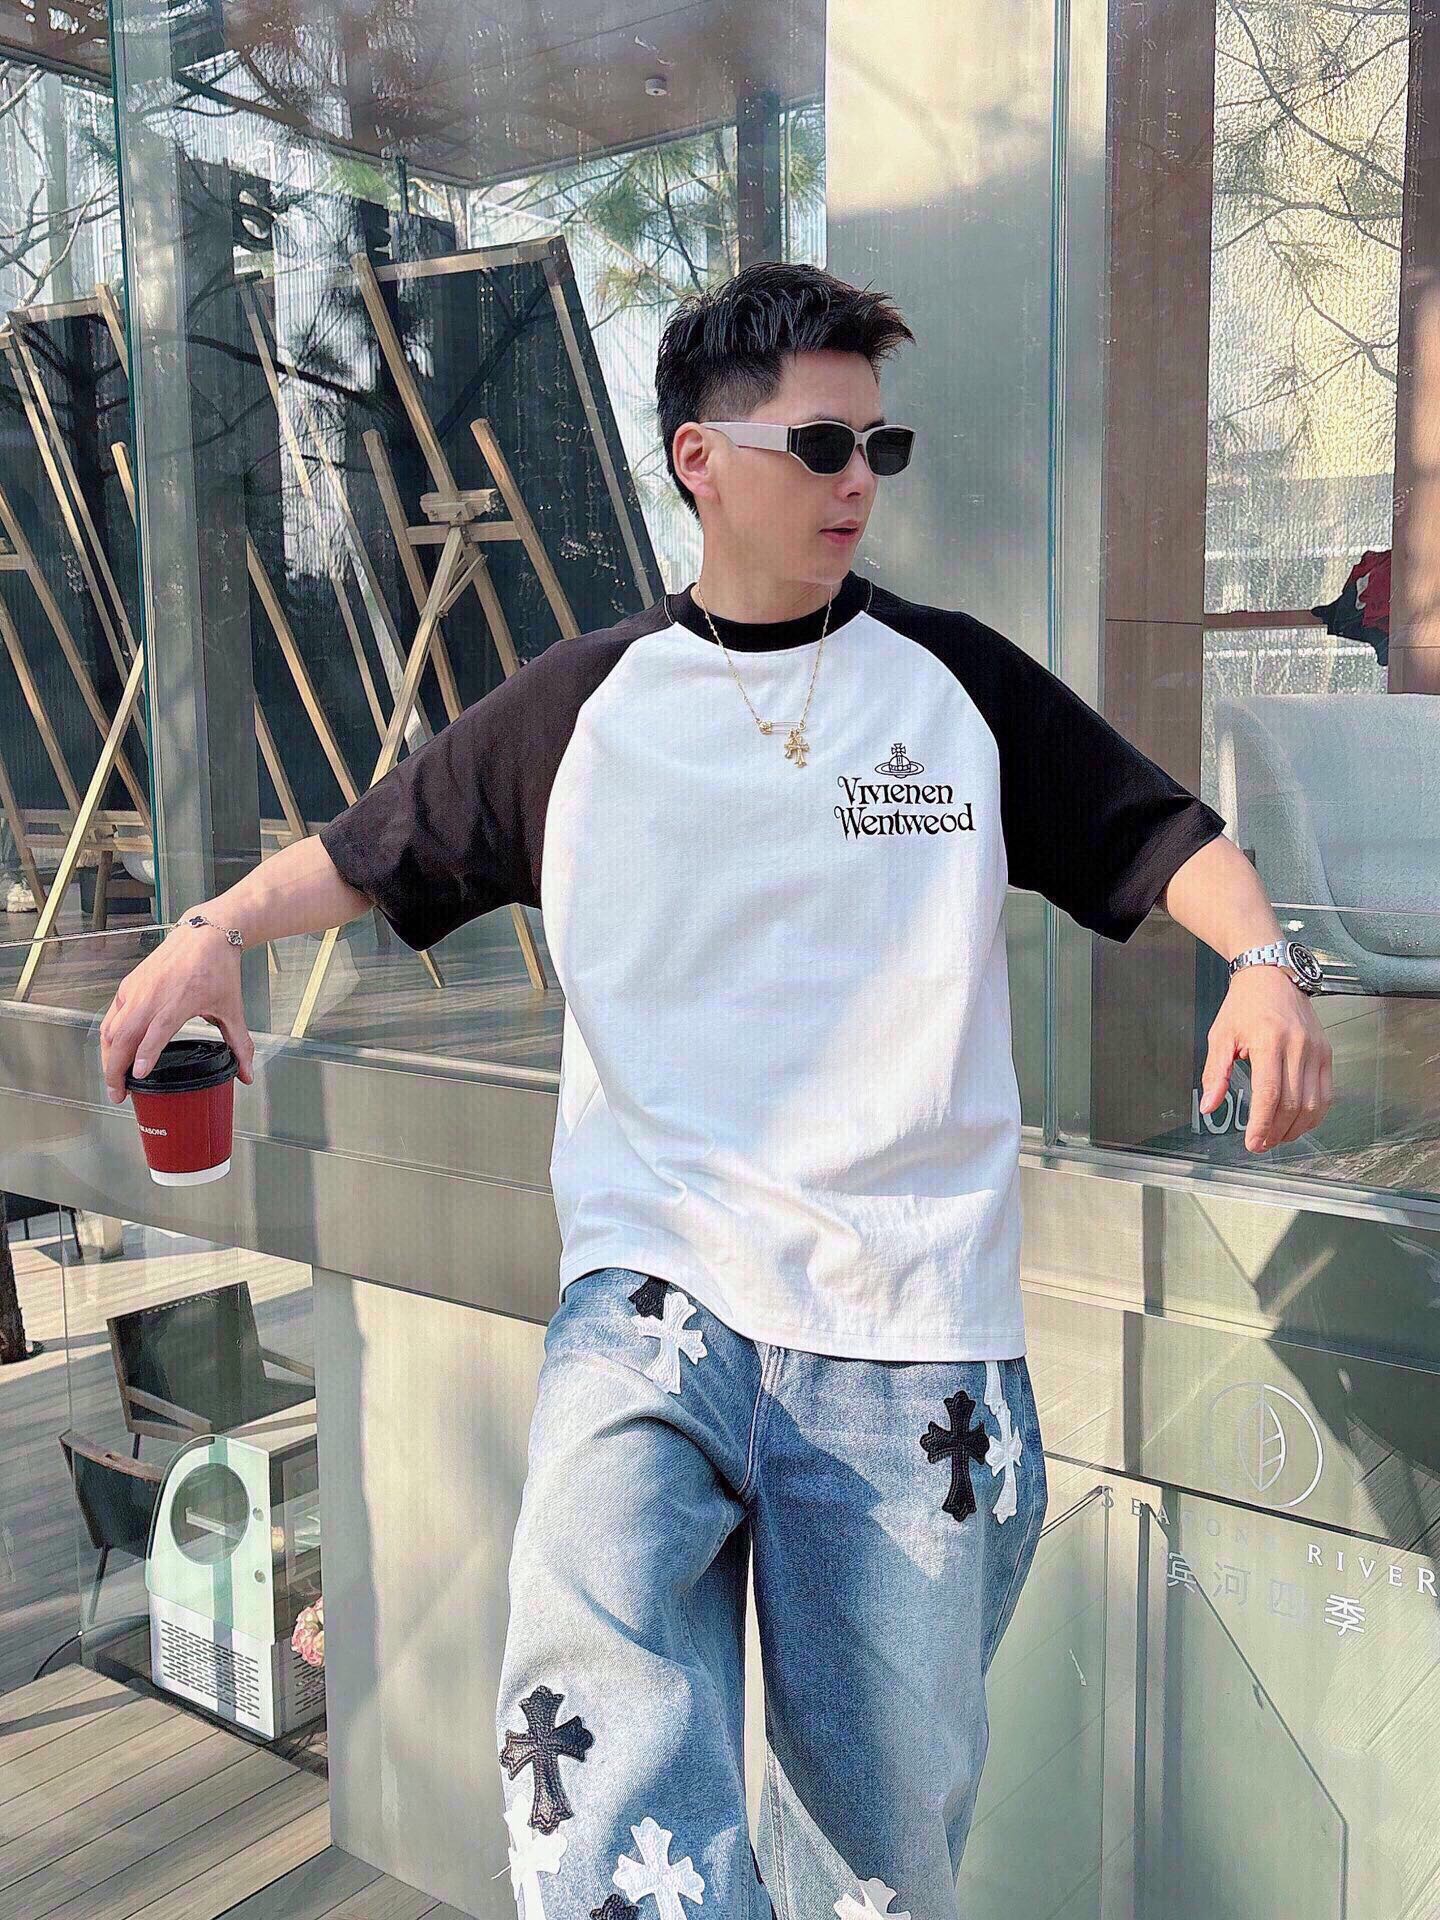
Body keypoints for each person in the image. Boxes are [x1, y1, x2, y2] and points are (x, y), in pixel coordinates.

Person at [99, 261, 1333, 1918]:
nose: (857, 481)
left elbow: (1159, 834)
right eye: (820, 445)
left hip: (910, 1334)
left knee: (878, 1858)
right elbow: (368, 847)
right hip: (655, 1296)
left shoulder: (954, 686)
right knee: (589, 1753)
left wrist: (1265, 964)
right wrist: (207, 937)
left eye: (879, 449)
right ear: (700, 458)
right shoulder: (587, 707)